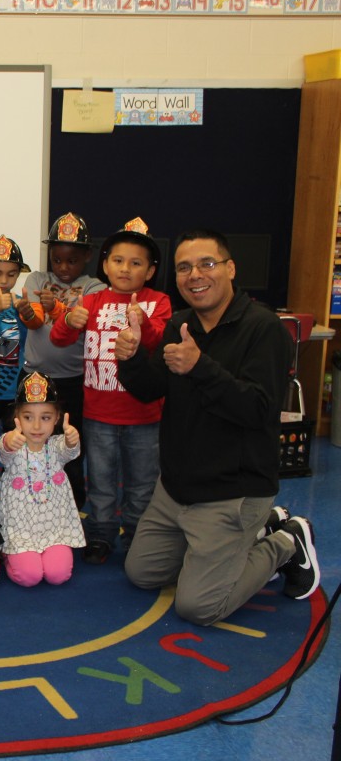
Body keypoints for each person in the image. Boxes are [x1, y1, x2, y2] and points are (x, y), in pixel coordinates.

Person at [115, 230, 320, 624]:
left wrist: (200, 367)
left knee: (199, 606)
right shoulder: (180, 325)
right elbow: (149, 389)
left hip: (233, 493)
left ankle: (285, 540)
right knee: (142, 574)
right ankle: (259, 529)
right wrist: (131, 358)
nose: (195, 275)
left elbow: (259, 410)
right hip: (176, 490)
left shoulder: (265, 330)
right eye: (184, 268)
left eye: (206, 264)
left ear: (230, 269)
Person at [50, 218, 171, 563]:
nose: (125, 268)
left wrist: (142, 323)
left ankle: (137, 534)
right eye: (118, 260)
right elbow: (60, 339)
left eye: (136, 263)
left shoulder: (158, 302)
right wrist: (66, 321)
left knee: (142, 482)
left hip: (144, 414)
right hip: (99, 412)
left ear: (149, 271)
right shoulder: (92, 300)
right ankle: (101, 533)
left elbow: (159, 342)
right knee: (101, 479)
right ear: (104, 265)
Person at [19, 212, 106, 508]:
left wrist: (56, 306)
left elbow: (78, 323)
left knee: (70, 444)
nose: (64, 268)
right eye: (57, 260)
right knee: (33, 444)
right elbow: (34, 323)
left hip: (74, 380)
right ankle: (29, 498)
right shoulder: (36, 279)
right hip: (34, 376)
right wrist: (30, 313)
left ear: (87, 257)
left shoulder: (96, 288)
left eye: (72, 261)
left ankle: (72, 503)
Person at [0, 371, 85, 587]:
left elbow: (70, 452)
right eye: (28, 417)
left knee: (58, 576)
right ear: (17, 418)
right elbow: (2, 452)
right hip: (21, 530)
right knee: (29, 577)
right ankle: (10, 553)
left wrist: (72, 440)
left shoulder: (56, 445)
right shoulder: (14, 442)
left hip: (54, 529)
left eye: (45, 418)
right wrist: (8, 441)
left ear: (56, 418)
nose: (36, 426)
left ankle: (49, 552)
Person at [0, 235, 31, 434]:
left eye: (11, 274)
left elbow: (28, 345)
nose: (4, 280)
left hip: (15, 389)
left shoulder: (21, 302)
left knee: (14, 444)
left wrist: (25, 316)